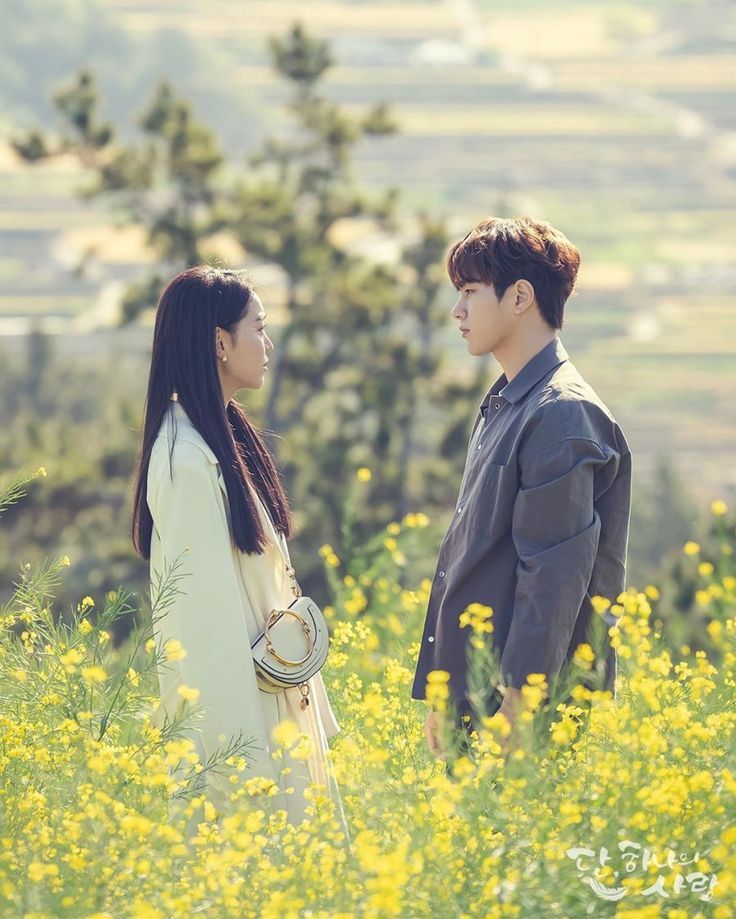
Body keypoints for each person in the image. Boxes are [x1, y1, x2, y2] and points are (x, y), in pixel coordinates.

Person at [411, 217, 632, 761]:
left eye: (470, 291)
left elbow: (553, 574)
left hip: (519, 706)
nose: (457, 310)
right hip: (477, 689)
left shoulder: (561, 414)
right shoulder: (509, 401)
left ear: (520, 297)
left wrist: (518, 704)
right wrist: (443, 693)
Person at [131, 266, 342, 827]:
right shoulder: (185, 459)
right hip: (250, 741)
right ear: (220, 342)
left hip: (276, 714)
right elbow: (202, 630)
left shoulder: (218, 436)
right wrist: (240, 772)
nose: (268, 345)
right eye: (260, 328)